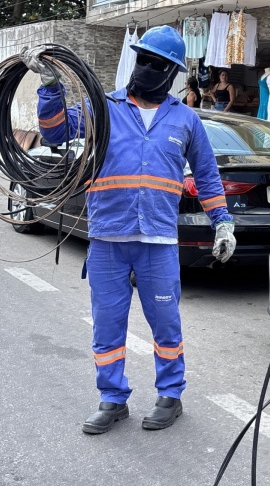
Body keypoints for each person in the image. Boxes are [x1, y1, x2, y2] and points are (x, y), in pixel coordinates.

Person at [21, 25, 237, 434]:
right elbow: (53, 131)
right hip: (107, 239)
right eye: (144, 60)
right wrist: (50, 85)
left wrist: (222, 222)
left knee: (166, 324)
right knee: (108, 325)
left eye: (158, 64)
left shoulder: (185, 119)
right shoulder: (104, 107)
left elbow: (207, 176)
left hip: (156, 241)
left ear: (172, 72)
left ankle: (170, 395)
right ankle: (112, 399)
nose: (148, 68)